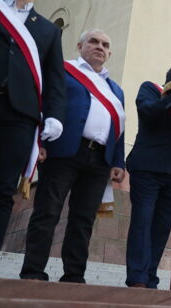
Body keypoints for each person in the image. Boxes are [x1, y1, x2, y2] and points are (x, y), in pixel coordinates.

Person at [19, 29, 125, 283]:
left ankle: (74, 275)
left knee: (84, 220)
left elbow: (119, 125)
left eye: (105, 44)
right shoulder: (63, 70)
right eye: (94, 42)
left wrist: (118, 161)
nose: (100, 47)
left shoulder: (115, 90)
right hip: (63, 152)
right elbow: (44, 104)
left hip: (99, 159)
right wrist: (38, 141)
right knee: (48, 212)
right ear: (79, 46)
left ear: (109, 53)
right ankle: (33, 271)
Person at [0, 0, 66, 277]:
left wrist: (53, 115)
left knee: (1, 190)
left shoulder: (48, 30)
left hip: (20, 114)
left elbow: (54, 78)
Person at [123, 79, 171, 288]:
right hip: (147, 169)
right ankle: (138, 277)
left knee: (161, 230)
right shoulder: (150, 89)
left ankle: (150, 277)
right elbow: (148, 112)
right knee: (142, 224)